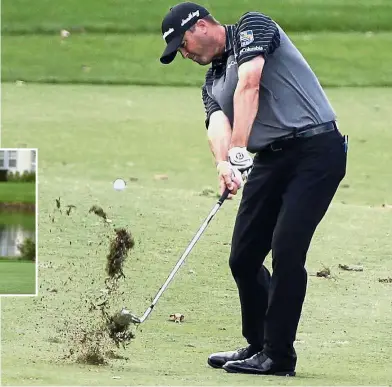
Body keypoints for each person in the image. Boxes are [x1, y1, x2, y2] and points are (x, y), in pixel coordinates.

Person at [159, 2, 347, 377]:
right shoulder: (212, 79)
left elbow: (250, 83)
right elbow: (217, 121)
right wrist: (224, 163)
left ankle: (278, 356)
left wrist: (240, 148)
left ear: (200, 26)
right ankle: (258, 343)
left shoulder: (253, 26)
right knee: (243, 258)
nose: (184, 53)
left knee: (287, 250)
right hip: (270, 160)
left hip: (315, 150)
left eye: (183, 44)